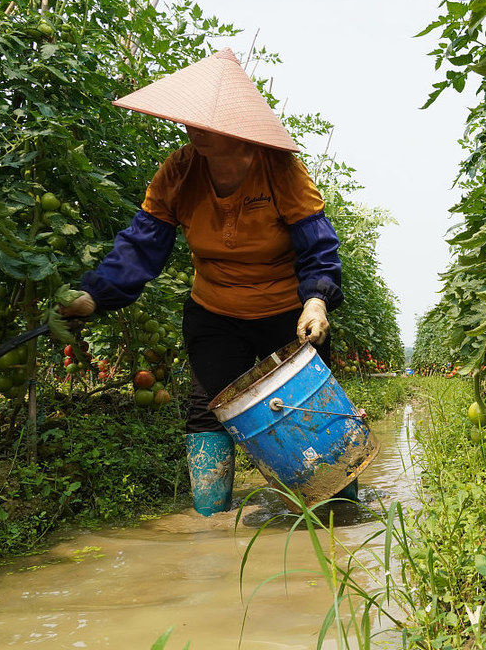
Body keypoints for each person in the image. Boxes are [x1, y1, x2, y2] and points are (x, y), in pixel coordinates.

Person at [60, 48, 343, 516]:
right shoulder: (178, 172)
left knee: (313, 408)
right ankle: (211, 521)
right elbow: (142, 244)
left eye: (208, 123)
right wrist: (96, 294)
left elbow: (317, 244)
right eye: (191, 120)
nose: (193, 129)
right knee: (208, 409)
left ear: (239, 129)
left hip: (286, 312)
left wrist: (316, 301)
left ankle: (336, 506)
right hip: (215, 312)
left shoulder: (280, 171)